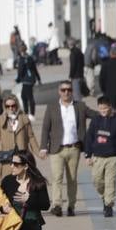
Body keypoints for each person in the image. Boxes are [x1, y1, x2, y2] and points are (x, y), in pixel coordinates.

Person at [37, 80, 89, 217]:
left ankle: (71, 206)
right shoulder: (52, 107)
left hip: (74, 148)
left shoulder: (80, 106)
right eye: (63, 90)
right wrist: (43, 147)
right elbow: (45, 128)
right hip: (56, 149)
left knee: (72, 179)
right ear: (59, 92)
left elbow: (97, 115)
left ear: (72, 91)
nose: (66, 92)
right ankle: (57, 205)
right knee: (57, 177)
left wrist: (110, 113)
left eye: (69, 90)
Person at [83, 96, 116, 218]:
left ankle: (108, 205)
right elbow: (89, 137)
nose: (103, 111)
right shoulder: (95, 120)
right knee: (97, 181)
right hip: (98, 157)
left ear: (110, 107)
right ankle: (105, 197)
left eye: (105, 109)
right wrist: (87, 155)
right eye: (101, 109)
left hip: (113, 157)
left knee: (110, 182)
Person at [0, 93, 33, 186]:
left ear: (17, 105)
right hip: (6, 159)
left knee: (23, 184)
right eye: (7, 106)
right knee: (7, 185)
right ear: (4, 107)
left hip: (21, 158)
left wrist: (39, 152)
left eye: (13, 106)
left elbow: (31, 137)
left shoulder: (24, 118)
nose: (10, 108)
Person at [14, 44, 41, 117]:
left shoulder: (22, 59)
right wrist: (38, 78)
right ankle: (28, 112)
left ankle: (30, 113)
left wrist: (18, 79)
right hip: (31, 79)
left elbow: (20, 70)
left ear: (20, 51)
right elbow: (35, 69)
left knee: (28, 97)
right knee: (24, 96)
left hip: (26, 80)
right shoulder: (30, 57)